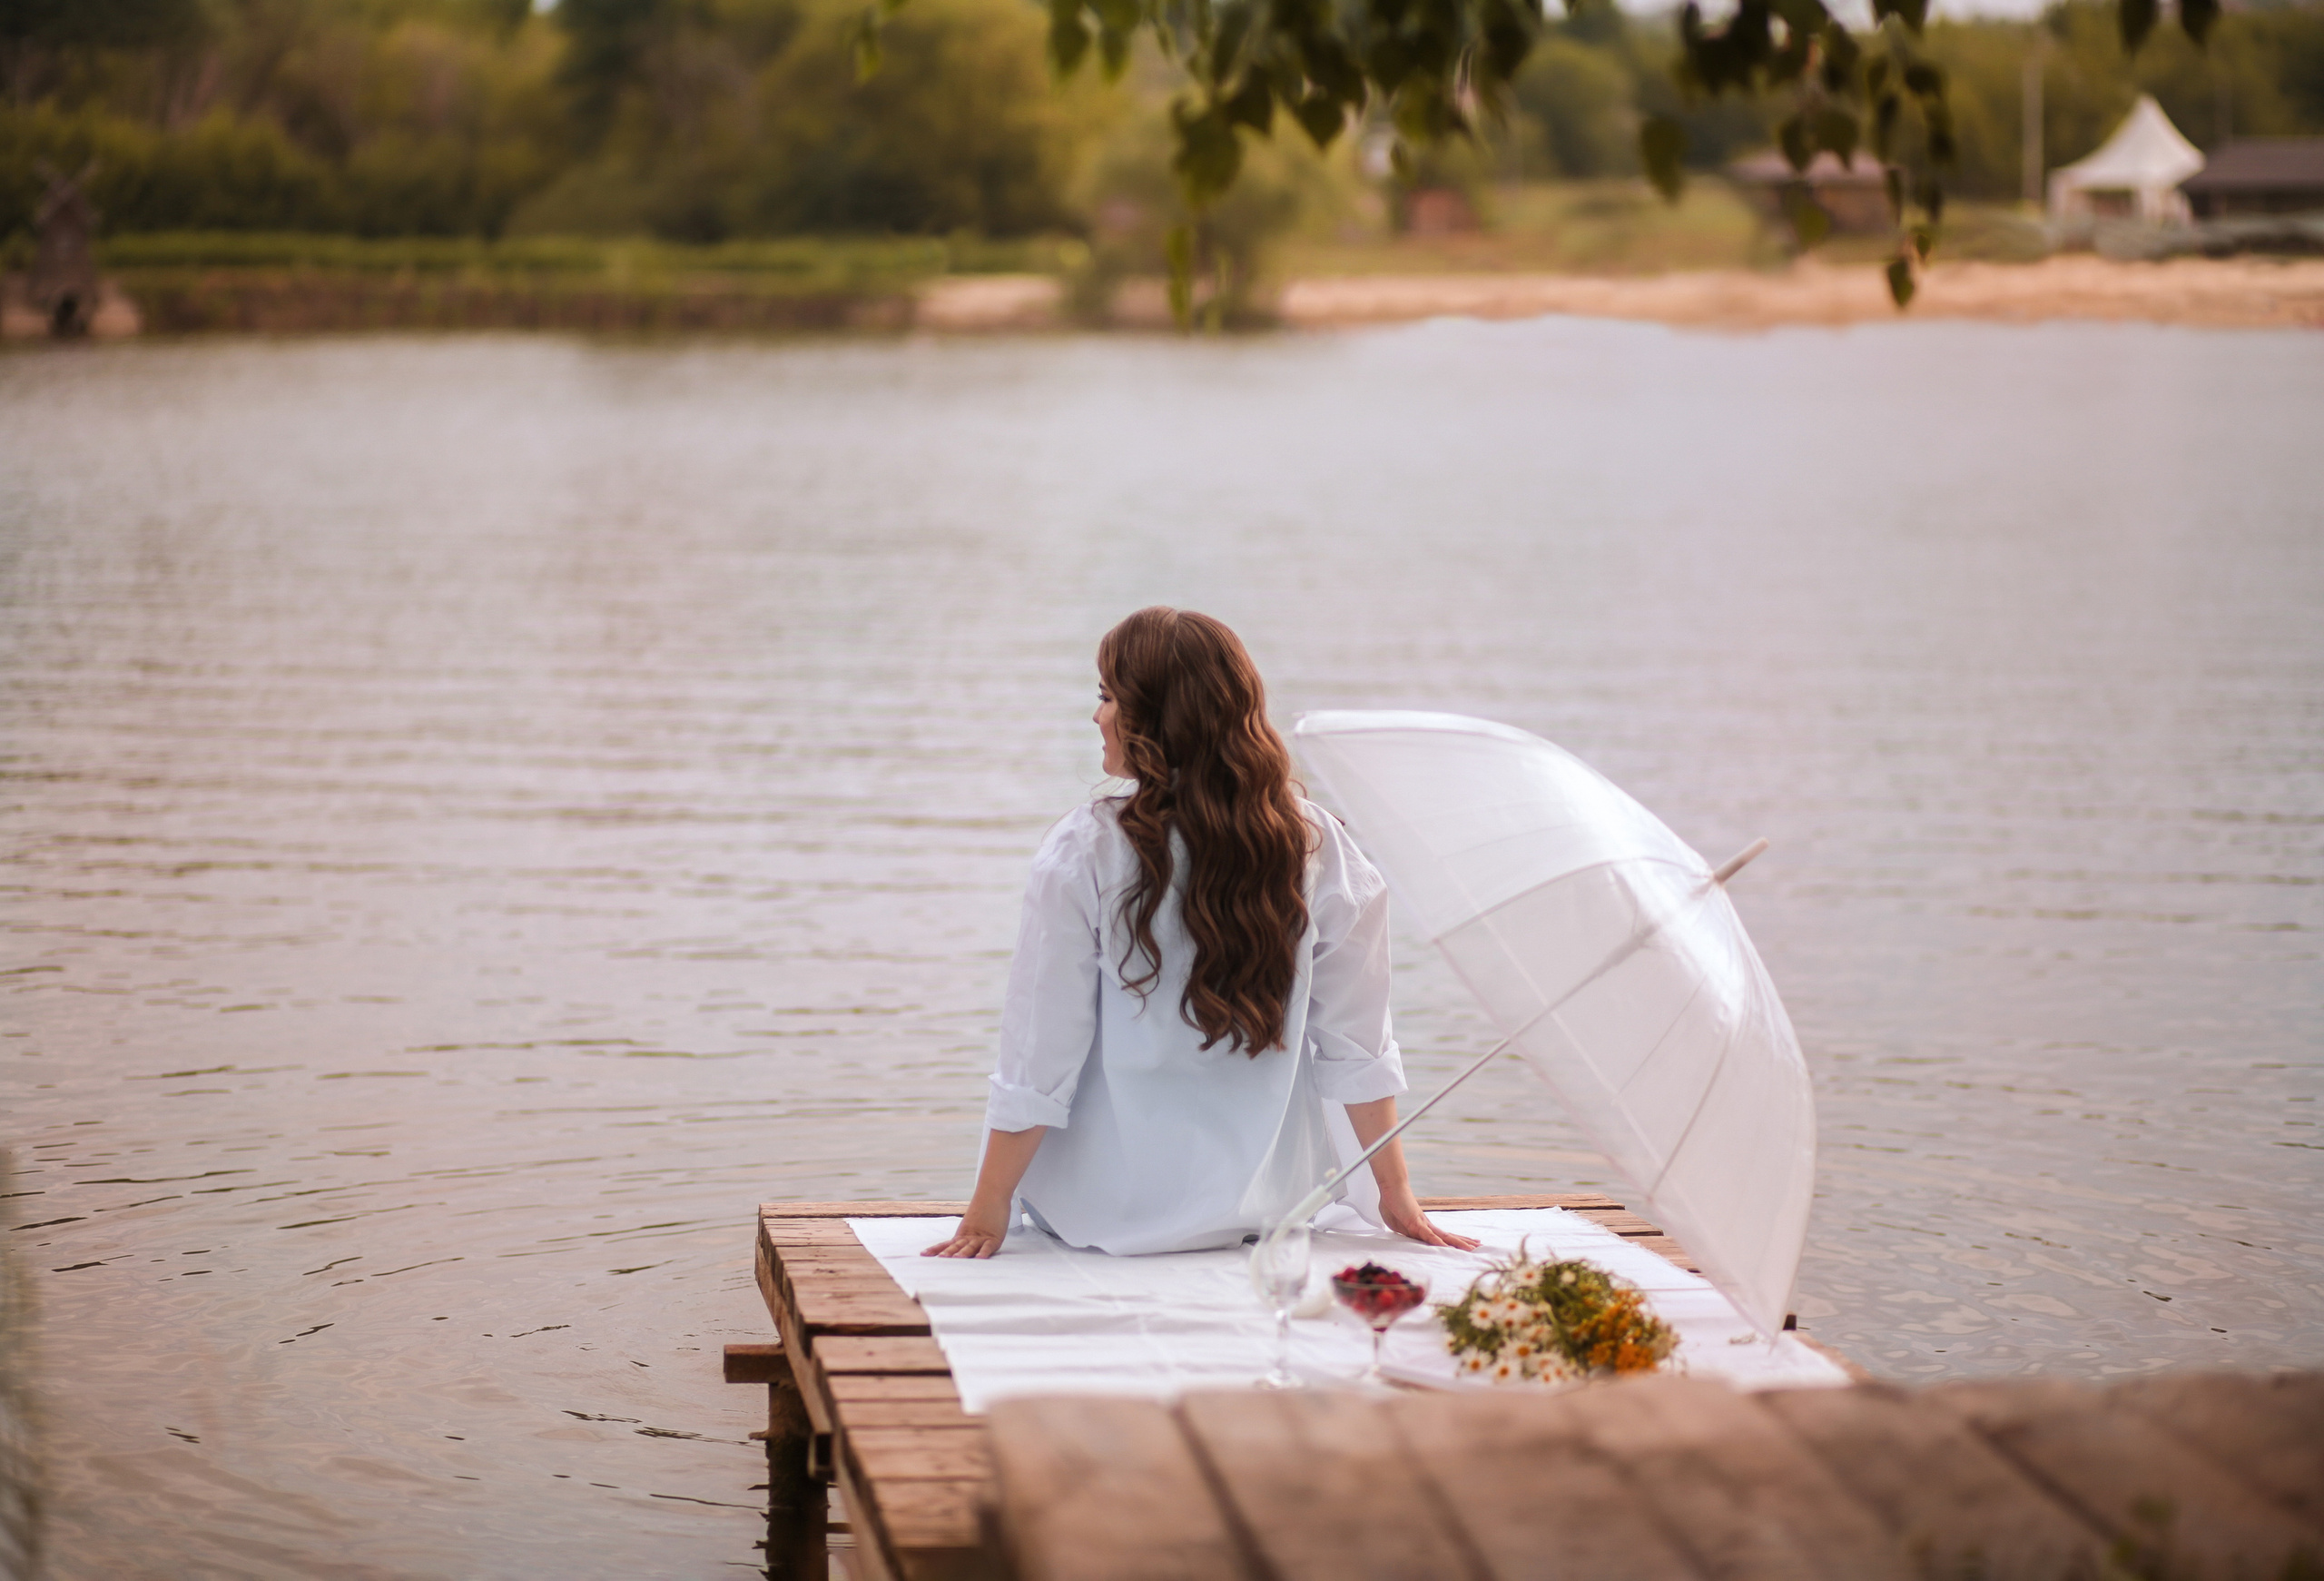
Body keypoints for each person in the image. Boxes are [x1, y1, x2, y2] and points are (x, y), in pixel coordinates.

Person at [925, 608, 1479, 1259]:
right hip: (1272, 1209)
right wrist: (1396, 1194)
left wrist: (987, 1209)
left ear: (1157, 720)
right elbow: (1357, 1044)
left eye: (1108, 697)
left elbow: (1039, 1051)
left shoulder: (1085, 850)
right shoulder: (1319, 845)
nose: (1097, 715)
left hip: (1105, 1213)